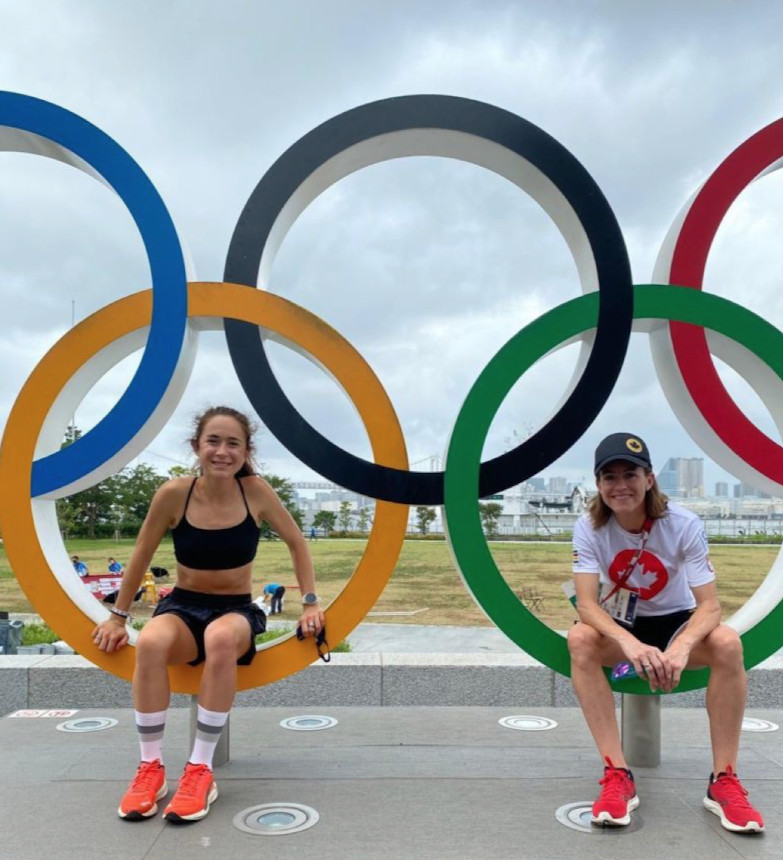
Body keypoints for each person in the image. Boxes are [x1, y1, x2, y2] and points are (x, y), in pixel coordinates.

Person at [91, 406, 324, 824]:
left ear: (246, 451)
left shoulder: (256, 492)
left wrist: (310, 602)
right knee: (151, 641)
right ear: (196, 446)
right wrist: (118, 617)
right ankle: (150, 769)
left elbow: (297, 542)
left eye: (233, 443)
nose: (222, 451)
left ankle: (200, 770)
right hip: (182, 606)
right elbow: (141, 553)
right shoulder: (174, 494)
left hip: (235, 610)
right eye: (212, 441)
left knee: (220, 637)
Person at [567, 432, 764, 832]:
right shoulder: (589, 526)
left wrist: (682, 647)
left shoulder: (683, 523)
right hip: (624, 627)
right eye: (609, 476)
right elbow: (586, 605)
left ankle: (723, 780)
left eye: (630, 474)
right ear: (598, 484)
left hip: (677, 621)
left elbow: (710, 606)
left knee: (727, 642)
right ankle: (616, 773)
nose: (620, 485)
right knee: (580, 639)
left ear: (650, 479)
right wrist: (629, 643)